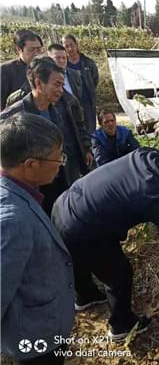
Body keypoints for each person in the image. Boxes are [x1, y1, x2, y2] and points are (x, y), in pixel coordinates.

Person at [52, 147, 159, 340]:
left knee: (79, 256)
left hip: (64, 205)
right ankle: (121, 326)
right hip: (84, 228)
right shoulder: (155, 197)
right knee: (119, 274)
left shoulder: (148, 155)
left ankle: (86, 296)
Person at [1, 114, 74, 365]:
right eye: (58, 157)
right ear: (31, 164)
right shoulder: (12, 220)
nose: (60, 164)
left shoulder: (19, 192)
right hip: (35, 338)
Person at [1, 56, 92, 214]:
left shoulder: (62, 109)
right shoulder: (13, 117)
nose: (61, 90)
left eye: (62, 85)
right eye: (56, 84)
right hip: (31, 187)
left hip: (60, 177)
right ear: (38, 83)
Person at [62, 34, 99, 133]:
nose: (70, 49)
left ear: (76, 45)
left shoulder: (87, 62)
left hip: (88, 102)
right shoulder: (63, 64)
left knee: (90, 130)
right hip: (71, 103)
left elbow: (95, 79)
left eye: (72, 45)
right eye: (66, 46)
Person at [1, 30, 43, 110]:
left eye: (38, 49)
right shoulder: (5, 70)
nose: (36, 53)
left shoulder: (45, 68)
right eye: (31, 49)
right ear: (19, 49)